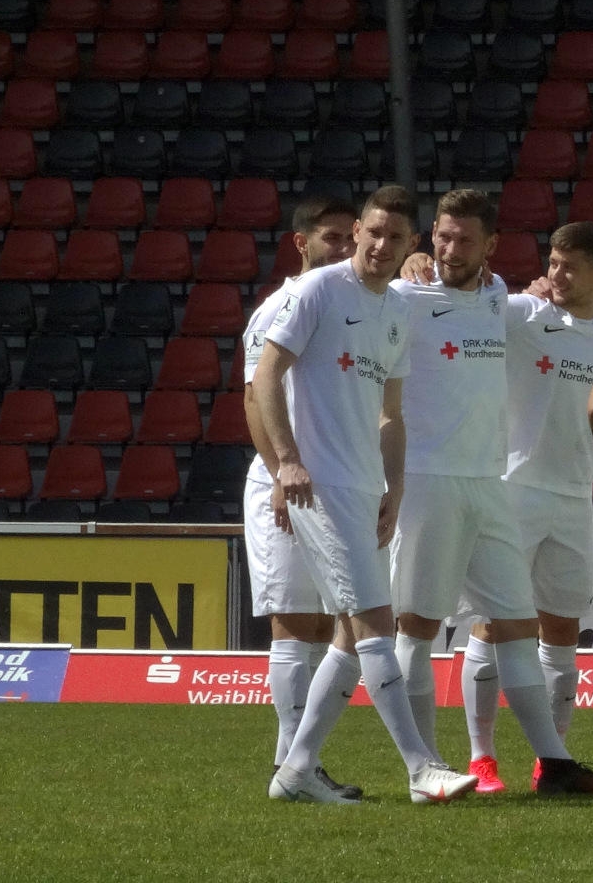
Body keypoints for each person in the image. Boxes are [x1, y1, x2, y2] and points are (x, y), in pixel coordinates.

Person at [389, 189, 593, 797]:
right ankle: (450, 763)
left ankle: (554, 764)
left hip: (528, 491)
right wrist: (406, 260)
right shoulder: (435, 299)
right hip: (457, 482)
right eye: (443, 237)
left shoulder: (506, 298)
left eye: (464, 239)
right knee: (427, 626)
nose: (450, 249)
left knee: (529, 625)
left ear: (490, 246)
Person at [255, 185, 480, 805]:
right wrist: (287, 462)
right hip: (318, 484)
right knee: (375, 622)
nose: (381, 245)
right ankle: (421, 768)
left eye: (395, 237)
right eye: (373, 232)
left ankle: (296, 771)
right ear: (357, 230)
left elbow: (390, 414)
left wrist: (395, 486)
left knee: (352, 637)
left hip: (365, 486)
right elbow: (266, 375)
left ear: (413, 244)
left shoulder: (398, 311)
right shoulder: (317, 290)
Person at [242, 196, 360, 799]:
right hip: (285, 482)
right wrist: (279, 473)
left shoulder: (344, 305)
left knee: (324, 623)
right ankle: (289, 765)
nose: (344, 249)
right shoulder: (279, 307)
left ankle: (299, 765)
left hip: (331, 481)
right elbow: (253, 399)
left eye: (350, 238)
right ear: (301, 243)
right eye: (331, 238)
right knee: (292, 622)